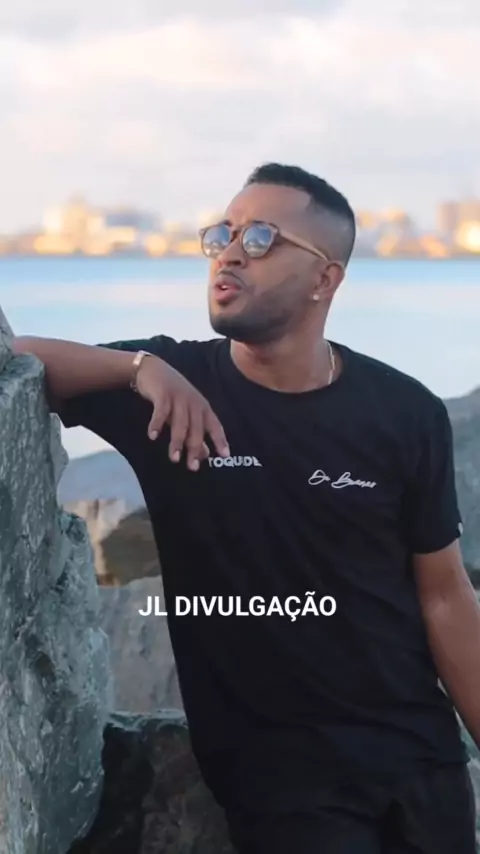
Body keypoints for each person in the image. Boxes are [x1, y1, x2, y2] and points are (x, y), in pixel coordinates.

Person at [14, 163, 480, 853]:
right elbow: (16, 358)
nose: (230, 253)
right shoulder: (169, 393)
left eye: (261, 237)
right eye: (222, 234)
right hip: (286, 784)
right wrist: (139, 368)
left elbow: (443, 595)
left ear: (325, 278)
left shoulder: (405, 411)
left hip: (423, 763)